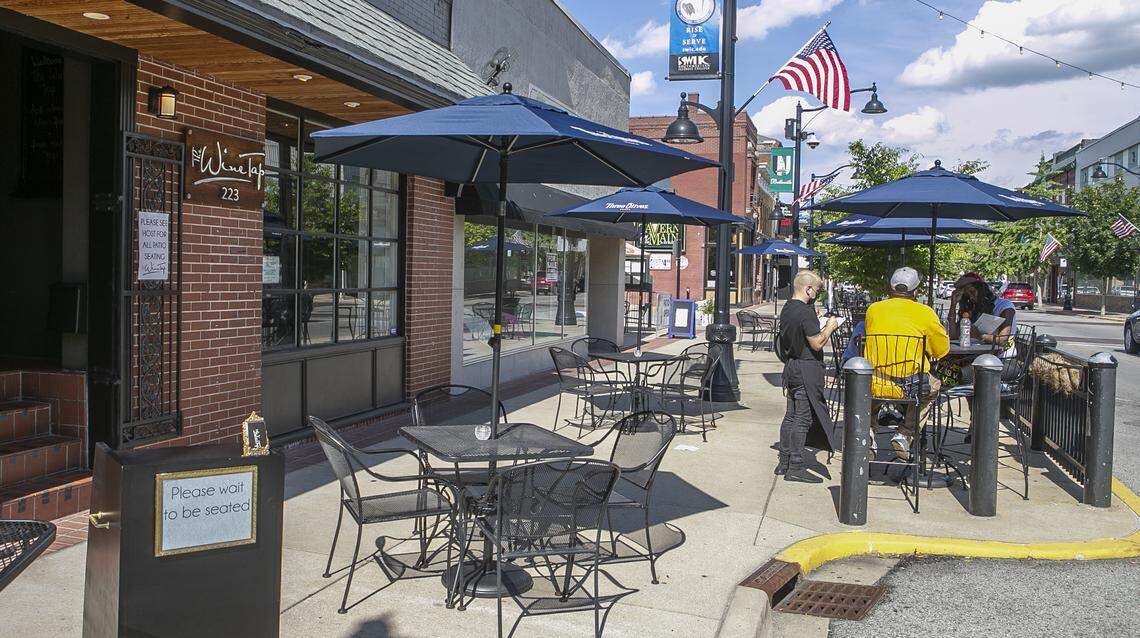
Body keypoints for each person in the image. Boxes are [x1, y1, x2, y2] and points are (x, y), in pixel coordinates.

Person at [864, 267, 950, 460]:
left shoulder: (873, 310)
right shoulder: (925, 313)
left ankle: (868, 432)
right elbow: (941, 351)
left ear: (890, 289)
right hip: (908, 387)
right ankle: (905, 433)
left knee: (871, 395)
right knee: (933, 387)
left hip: (874, 384)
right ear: (915, 291)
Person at [775, 270, 839, 483]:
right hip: (806, 369)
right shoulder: (805, 313)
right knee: (802, 419)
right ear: (808, 288)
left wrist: (816, 320)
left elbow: (798, 333)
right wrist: (829, 327)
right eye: (817, 290)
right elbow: (817, 343)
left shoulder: (788, 308)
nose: (817, 294)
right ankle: (796, 466)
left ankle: (783, 462)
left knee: (790, 416)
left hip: (791, 367)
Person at [947, 273, 1017, 357]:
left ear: (981, 289)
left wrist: (979, 335)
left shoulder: (1005, 306)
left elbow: (1003, 340)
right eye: (967, 296)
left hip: (1001, 357)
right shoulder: (974, 309)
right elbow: (953, 335)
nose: (971, 298)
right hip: (978, 354)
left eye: (972, 292)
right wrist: (953, 305)